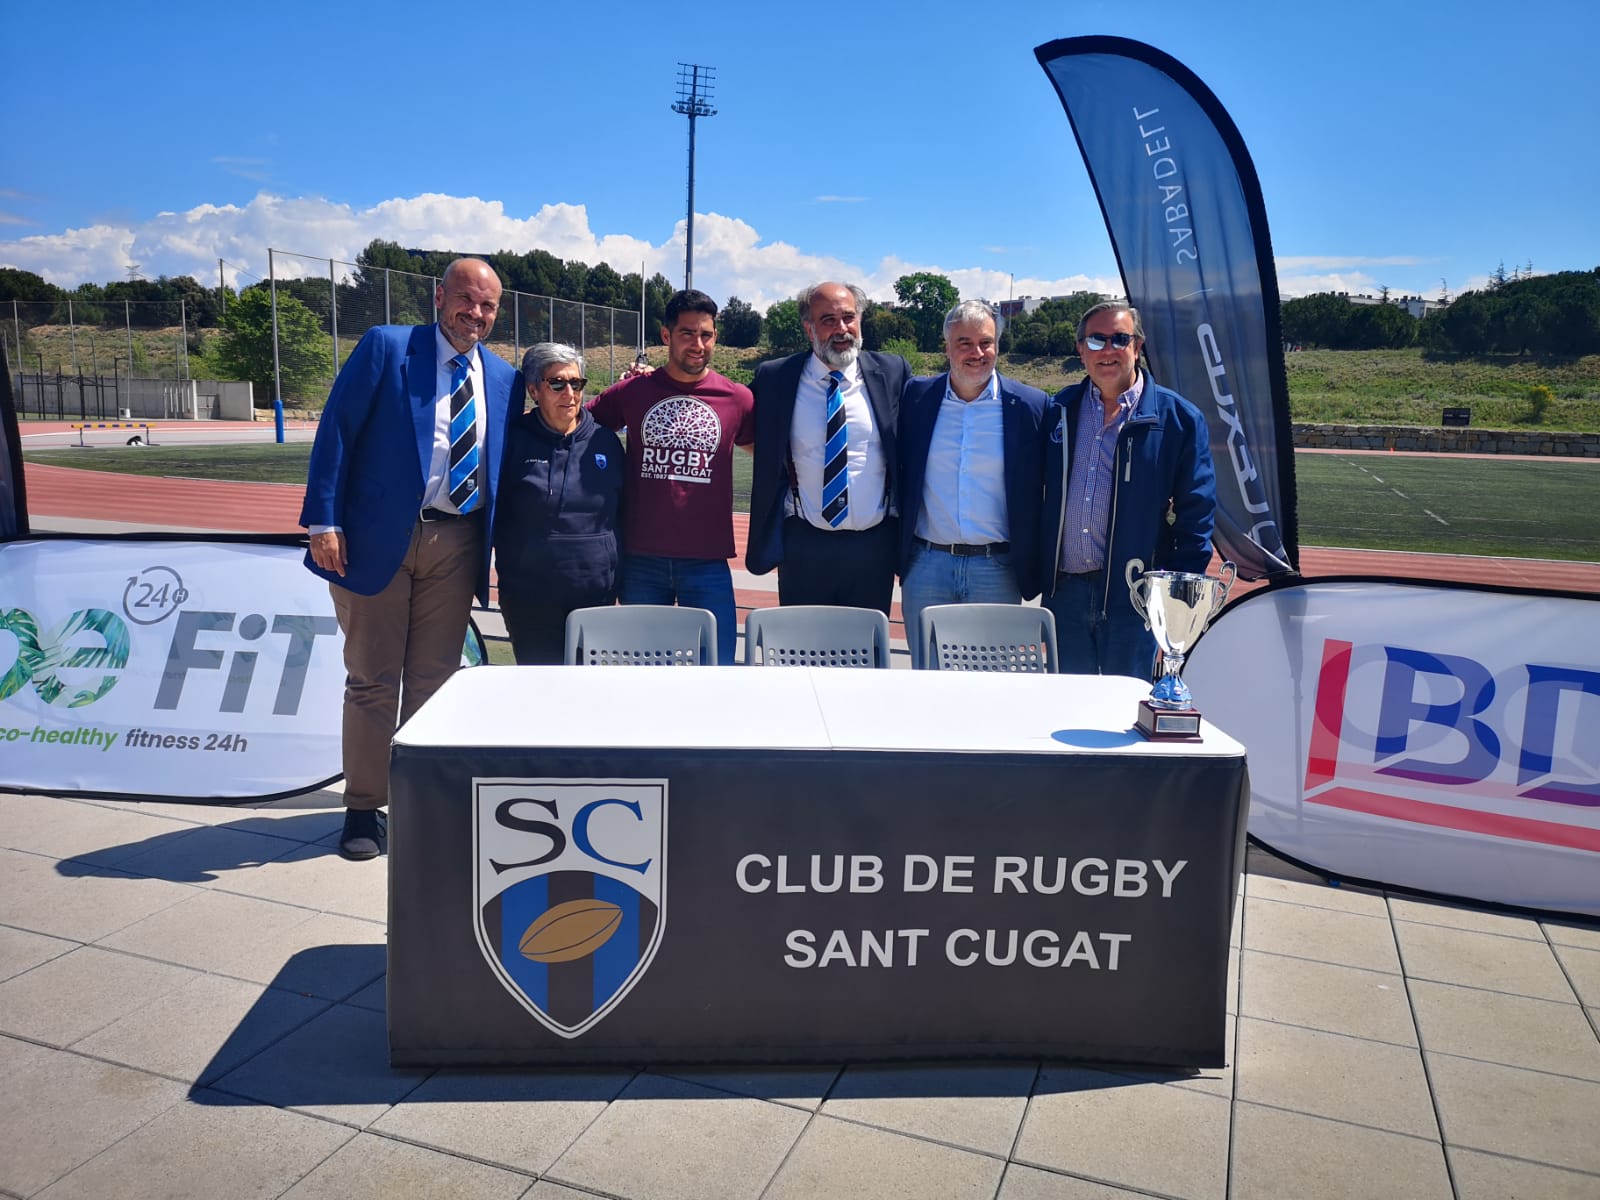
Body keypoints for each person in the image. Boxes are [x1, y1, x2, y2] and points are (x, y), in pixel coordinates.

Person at [299, 257, 515, 860]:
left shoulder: (502, 376)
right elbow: (337, 430)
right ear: (440, 296)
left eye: (489, 306)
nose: (476, 314)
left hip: (458, 540)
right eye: (467, 300)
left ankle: (418, 802)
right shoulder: (387, 348)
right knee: (372, 679)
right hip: (375, 540)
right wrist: (324, 519)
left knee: (434, 681)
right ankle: (363, 810)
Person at [1038, 301, 1216, 678]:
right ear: (1080, 349)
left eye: (1120, 338)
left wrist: (1174, 592)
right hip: (1064, 595)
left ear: (1137, 346)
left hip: (1134, 597)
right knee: (1062, 709)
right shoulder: (1057, 411)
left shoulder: (1179, 419)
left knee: (1125, 710)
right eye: (1097, 340)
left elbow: (1197, 512)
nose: (1108, 350)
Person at [589, 289, 753, 664]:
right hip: (640, 559)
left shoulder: (738, 399)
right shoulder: (632, 392)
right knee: (643, 671)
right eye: (687, 333)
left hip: (708, 561)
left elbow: (771, 451)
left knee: (718, 669)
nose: (698, 344)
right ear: (666, 336)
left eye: (706, 335)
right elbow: (576, 426)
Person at [898, 300, 1049, 663]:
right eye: (964, 343)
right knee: (927, 676)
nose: (976, 353)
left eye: (986, 342)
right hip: (927, 565)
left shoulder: (1031, 406)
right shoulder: (916, 397)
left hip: (996, 570)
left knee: (992, 679)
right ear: (947, 347)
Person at [746, 281, 909, 614]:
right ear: (809, 328)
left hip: (873, 546)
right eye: (828, 320)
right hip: (804, 544)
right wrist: (648, 379)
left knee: (867, 654)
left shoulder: (893, 373)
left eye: (849, 317)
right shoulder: (775, 377)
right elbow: (728, 411)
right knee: (803, 652)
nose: (842, 329)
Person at [493, 343, 626, 664]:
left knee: (590, 695)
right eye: (557, 383)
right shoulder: (510, 440)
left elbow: (622, 511)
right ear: (534, 390)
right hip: (530, 598)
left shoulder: (604, 441)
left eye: (576, 383)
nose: (569, 392)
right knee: (540, 695)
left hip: (595, 596)